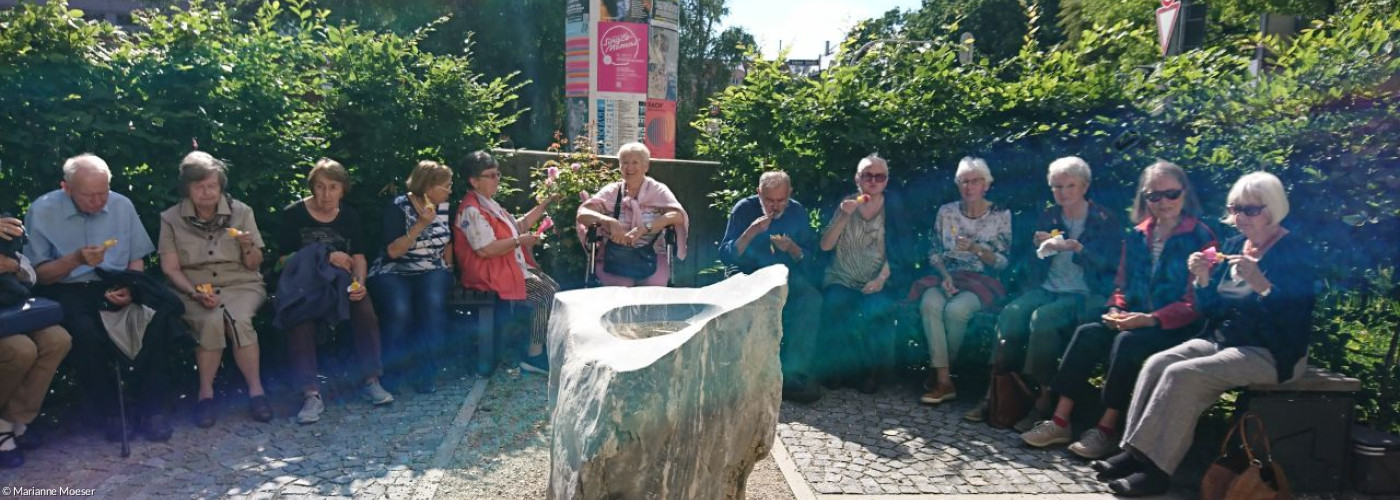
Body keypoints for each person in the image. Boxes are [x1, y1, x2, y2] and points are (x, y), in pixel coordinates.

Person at [1092, 172, 1310, 497]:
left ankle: (1157, 471)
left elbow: (1295, 320)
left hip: (1273, 352)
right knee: (1158, 363)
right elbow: (1212, 310)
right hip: (1223, 340)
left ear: (1274, 207)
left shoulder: (1295, 252)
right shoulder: (1236, 245)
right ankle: (1134, 451)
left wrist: (1262, 285)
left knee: (1184, 375)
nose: (1241, 217)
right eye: (1236, 209)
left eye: (1251, 210)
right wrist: (1203, 279)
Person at [1020, 160, 1215, 457]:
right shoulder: (1139, 234)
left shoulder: (1200, 236)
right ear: (1144, 199)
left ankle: (1106, 429)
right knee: (1088, 333)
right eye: (1154, 196)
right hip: (1132, 317)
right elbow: (1121, 282)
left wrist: (1151, 319)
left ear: (1184, 194)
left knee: (1126, 343)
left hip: (1174, 325)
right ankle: (1060, 420)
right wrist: (1116, 309)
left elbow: (1195, 302)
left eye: (1171, 194)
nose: (1163, 202)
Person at [24, 153, 174, 442]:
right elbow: (39, 275)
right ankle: (110, 412)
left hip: (118, 282)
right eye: (89, 195)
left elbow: (136, 260)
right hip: (67, 287)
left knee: (157, 317)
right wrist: (76, 259)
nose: (98, 201)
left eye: (103, 192)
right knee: (84, 333)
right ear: (66, 188)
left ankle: (151, 408)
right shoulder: (42, 210)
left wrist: (131, 288)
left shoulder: (121, 205)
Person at [984, 157, 1122, 432]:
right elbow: (1032, 261)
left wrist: (1079, 249)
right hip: (1047, 287)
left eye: (1070, 186)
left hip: (1084, 293)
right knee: (1011, 314)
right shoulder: (1051, 215)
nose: (1063, 192)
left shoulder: (1103, 218)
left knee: (1043, 320)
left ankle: (1045, 398)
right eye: (1057, 187)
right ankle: (999, 390)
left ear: (1084, 186)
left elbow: (1111, 265)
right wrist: (1040, 246)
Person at [158, 151, 271, 427]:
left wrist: (247, 245)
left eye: (212, 186)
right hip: (194, 287)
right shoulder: (171, 218)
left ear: (220, 186)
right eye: (199, 186)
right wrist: (193, 292)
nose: (207, 192)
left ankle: (256, 392)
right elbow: (171, 268)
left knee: (238, 320)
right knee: (210, 320)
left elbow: (254, 264)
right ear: (188, 188)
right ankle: (205, 396)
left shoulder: (241, 212)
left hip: (240, 284)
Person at [276, 159, 393, 425]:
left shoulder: (349, 216)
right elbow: (283, 260)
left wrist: (360, 283)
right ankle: (311, 393)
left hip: (341, 284)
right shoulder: (294, 214)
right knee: (299, 319)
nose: (326, 194)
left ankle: (371, 380)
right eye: (320, 187)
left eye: (333, 187)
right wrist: (326, 255)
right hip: (305, 285)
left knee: (365, 312)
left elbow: (359, 255)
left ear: (343, 189)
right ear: (311, 188)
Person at [452, 151, 560, 375]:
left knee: (554, 290)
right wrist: (521, 241)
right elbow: (485, 249)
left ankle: (538, 347)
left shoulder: (489, 203)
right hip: (486, 274)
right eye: (490, 175)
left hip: (506, 267)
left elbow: (518, 226)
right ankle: (534, 355)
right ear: (474, 181)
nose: (497, 179)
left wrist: (544, 205)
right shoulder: (471, 210)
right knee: (544, 295)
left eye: (497, 173)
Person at [719, 171, 823, 402]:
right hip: (748, 273)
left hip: (785, 275)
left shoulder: (796, 211)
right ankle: (746, 373)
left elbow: (809, 257)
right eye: (769, 200)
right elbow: (727, 256)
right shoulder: (744, 209)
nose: (775, 207)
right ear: (759, 194)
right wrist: (751, 231)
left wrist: (793, 248)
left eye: (781, 201)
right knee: (747, 303)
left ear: (789, 195)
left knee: (811, 299)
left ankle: (795, 375)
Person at [818, 154, 916, 394]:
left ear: (886, 181)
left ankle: (873, 373)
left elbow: (901, 250)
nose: (873, 181)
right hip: (842, 277)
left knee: (877, 308)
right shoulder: (846, 204)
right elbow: (825, 246)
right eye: (867, 176)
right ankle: (836, 369)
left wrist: (881, 279)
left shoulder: (894, 207)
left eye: (879, 177)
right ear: (857, 179)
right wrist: (844, 216)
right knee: (835, 304)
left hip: (879, 279)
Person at [920, 157, 1012, 406]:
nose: (969, 187)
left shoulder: (1000, 215)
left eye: (975, 181)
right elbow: (934, 252)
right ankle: (945, 380)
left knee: (956, 311)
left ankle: (939, 373)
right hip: (947, 276)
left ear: (986, 185)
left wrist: (975, 248)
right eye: (963, 182)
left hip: (982, 280)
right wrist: (945, 276)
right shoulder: (946, 212)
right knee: (930, 304)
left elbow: (1002, 262)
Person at [367, 160, 454, 394]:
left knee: (432, 304)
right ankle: (392, 372)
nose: (450, 190)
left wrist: (449, 265)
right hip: (394, 270)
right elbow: (393, 252)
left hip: (431, 268)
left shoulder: (444, 207)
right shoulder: (399, 206)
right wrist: (420, 224)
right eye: (446, 186)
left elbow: (448, 242)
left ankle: (427, 373)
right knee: (399, 309)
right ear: (428, 186)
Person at [0, 217, 72, 468]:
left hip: (9, 311)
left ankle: (10, 421)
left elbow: (30, 276)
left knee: (57, 339)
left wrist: (12, 266)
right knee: (19, 349)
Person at [576, 142, 689, 287]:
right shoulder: (613, 191)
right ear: (620, 167)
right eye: (625, 163)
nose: (629, 167)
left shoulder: (658, 190)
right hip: (615, 256)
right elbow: (583, 213)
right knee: (620, 287)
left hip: (651, 255)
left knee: (654, 286)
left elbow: (677, 215)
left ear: (646, 166)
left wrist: (647, 227)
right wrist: (609, 222)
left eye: (635, 162)